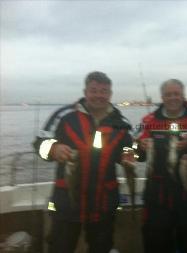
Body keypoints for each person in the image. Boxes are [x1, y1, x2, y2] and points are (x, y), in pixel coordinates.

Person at [33, 71, 133, 253]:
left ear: (110, 94)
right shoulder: (64, 115)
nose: (99, 95)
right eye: (94, 90)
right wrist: (53, 149)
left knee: (101, 248)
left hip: (104, 204)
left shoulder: (121, 122)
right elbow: (39, 143)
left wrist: (131, 155)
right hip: (66, 203)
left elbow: (128, 151)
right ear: (85, 92)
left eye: (104, 91)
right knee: (60, 247)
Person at [135, 79, 187, 253]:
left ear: (183, 96)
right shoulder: (148, 120)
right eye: (168, 94)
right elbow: (136, 156)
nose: (173, 98)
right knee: (155, 242)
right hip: (157, 195)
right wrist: (140, 147)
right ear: (162, 97)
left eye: (176, 94)